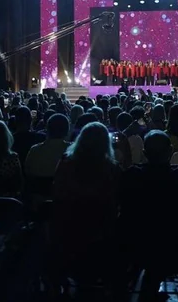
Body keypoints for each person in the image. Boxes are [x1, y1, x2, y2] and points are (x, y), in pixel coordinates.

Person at [119, 130, 178, 301]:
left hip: (136, 245)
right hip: (174, 246)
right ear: (170, 151)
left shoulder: (131, 177)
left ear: (145, 153)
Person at [49, 122, 122, 294]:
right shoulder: (111, 168)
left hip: (68, 231)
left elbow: (56, 193)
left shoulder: (66, 164)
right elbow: (116, 200)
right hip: (101, 233)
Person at [25, 113, 70, 179]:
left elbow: (27, 173)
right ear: (67, 131)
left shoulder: (34, 151)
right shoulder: (72, 151)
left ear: (47, 129)